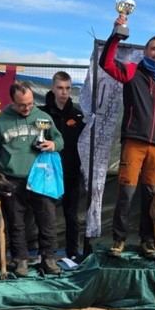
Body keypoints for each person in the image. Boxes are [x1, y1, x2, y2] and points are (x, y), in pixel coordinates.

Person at [99, 15, 155, 258]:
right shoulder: (133, 71)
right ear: (145, 51)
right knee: (126, 193)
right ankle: (119, 240)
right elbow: (106, 63)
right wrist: (117, 34)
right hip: (134, 140)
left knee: (151, 196)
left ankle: (147, 241)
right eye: (154, 49)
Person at [0, 81, 65, 276]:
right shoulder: (0, 121)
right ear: (12, 101)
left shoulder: (43, 117)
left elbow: (59, 140)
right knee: (15, 222)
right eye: (22, 105)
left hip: (40, 178)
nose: (27, 108)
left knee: (47, 220)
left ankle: (48, 258)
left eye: (30, 103)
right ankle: (20, 260)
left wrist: (53, 145)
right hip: (11, 179)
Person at [40, 71, 85, 260]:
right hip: (48, 173)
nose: (64, 92)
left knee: (72, 215)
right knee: (45, 215)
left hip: (71, 172)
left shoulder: (78, 114)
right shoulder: (41, 113)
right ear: (53, 88)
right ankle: (46, 254)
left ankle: (72, 253)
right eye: (60, 88)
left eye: (67, 88)